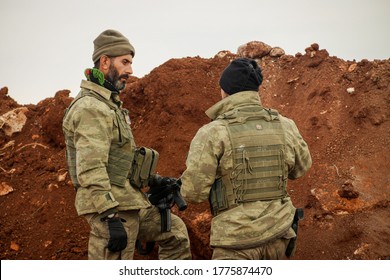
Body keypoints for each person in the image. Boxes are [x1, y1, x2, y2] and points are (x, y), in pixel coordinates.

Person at [62, 29, 191, 260]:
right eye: (124, 62)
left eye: (131, 63)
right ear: (104, 62)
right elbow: (91, 168)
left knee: (175, 232)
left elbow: (119, 160)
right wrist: (110, 217)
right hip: (110, 208)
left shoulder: (109, 105)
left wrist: (154, 181)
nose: (130, 70)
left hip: (127, 200)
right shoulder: (91, 108)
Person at [180, 58, 312, 260]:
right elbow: (301, 168)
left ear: (225, 91)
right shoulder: (285, 125)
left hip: (236, 243)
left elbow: (194, 193)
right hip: (280, 235)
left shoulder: (213, 132)